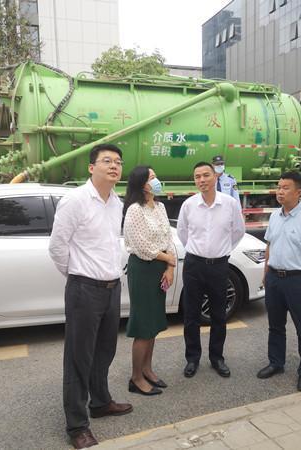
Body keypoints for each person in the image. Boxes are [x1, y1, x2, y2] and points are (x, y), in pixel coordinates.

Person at [48, 144, 133, 449]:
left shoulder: (116, 203)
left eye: (118, 162)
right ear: (91, 167)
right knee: (78, 359)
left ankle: (100, 402)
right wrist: (78, 275)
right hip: (84, 289)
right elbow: (57, 247)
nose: (114, 166)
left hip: (112, 288)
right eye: (107, 160)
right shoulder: (75, 201)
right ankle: (77, 426)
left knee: (104, 352)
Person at [177, 161, 245, 379]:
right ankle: (192, 358)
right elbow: (182, 233)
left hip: (219, 266)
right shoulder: (189, 205)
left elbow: (238, 231)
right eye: (197, 176)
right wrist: (198, 252)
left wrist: (222, 250)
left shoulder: (230, 204)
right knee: (191, 314)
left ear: (215, 177)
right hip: (194, 265)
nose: (202, 180)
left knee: (218, 314)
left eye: (206, 175)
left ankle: (217, 358)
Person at [256, 171, 301, 392]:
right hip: (274, 278)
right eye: (279, 187)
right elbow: (270, 245)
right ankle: (276, 363)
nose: (280, 191)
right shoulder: (275, 216)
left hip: (298, 280)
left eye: (285, 188)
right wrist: (266, 272)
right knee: (275, 325)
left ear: (298, 192)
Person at [123, 166, 175, 396]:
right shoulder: (135, 210)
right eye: (151, 177)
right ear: (141, 184)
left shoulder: (160, 207)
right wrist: (168, 259)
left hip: (160, 267)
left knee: (153, 324)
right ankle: (136, 378)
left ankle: (147, 370)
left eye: (156, 176)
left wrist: (170, 267)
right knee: (143, 326)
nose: (156, 180)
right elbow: (141, 246)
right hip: (143, 269)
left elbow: (168, 238)